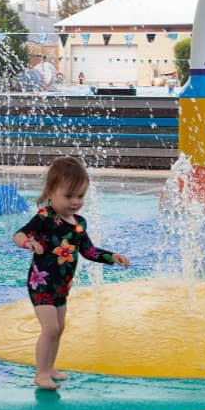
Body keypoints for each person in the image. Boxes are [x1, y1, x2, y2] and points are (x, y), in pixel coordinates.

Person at [13, 157, 130, 389]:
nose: (75, 202)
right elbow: (19, 234)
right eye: (69, 196)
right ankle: (41, 373)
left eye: (80, 196)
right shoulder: (45, 217)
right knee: (50, 328)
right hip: (41, 283)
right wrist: (29, 244)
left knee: (60, 328)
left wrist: (111, 256)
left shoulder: (79, 224)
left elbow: (89, 251)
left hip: (62, 286)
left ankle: (50, 367)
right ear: (51, 191)